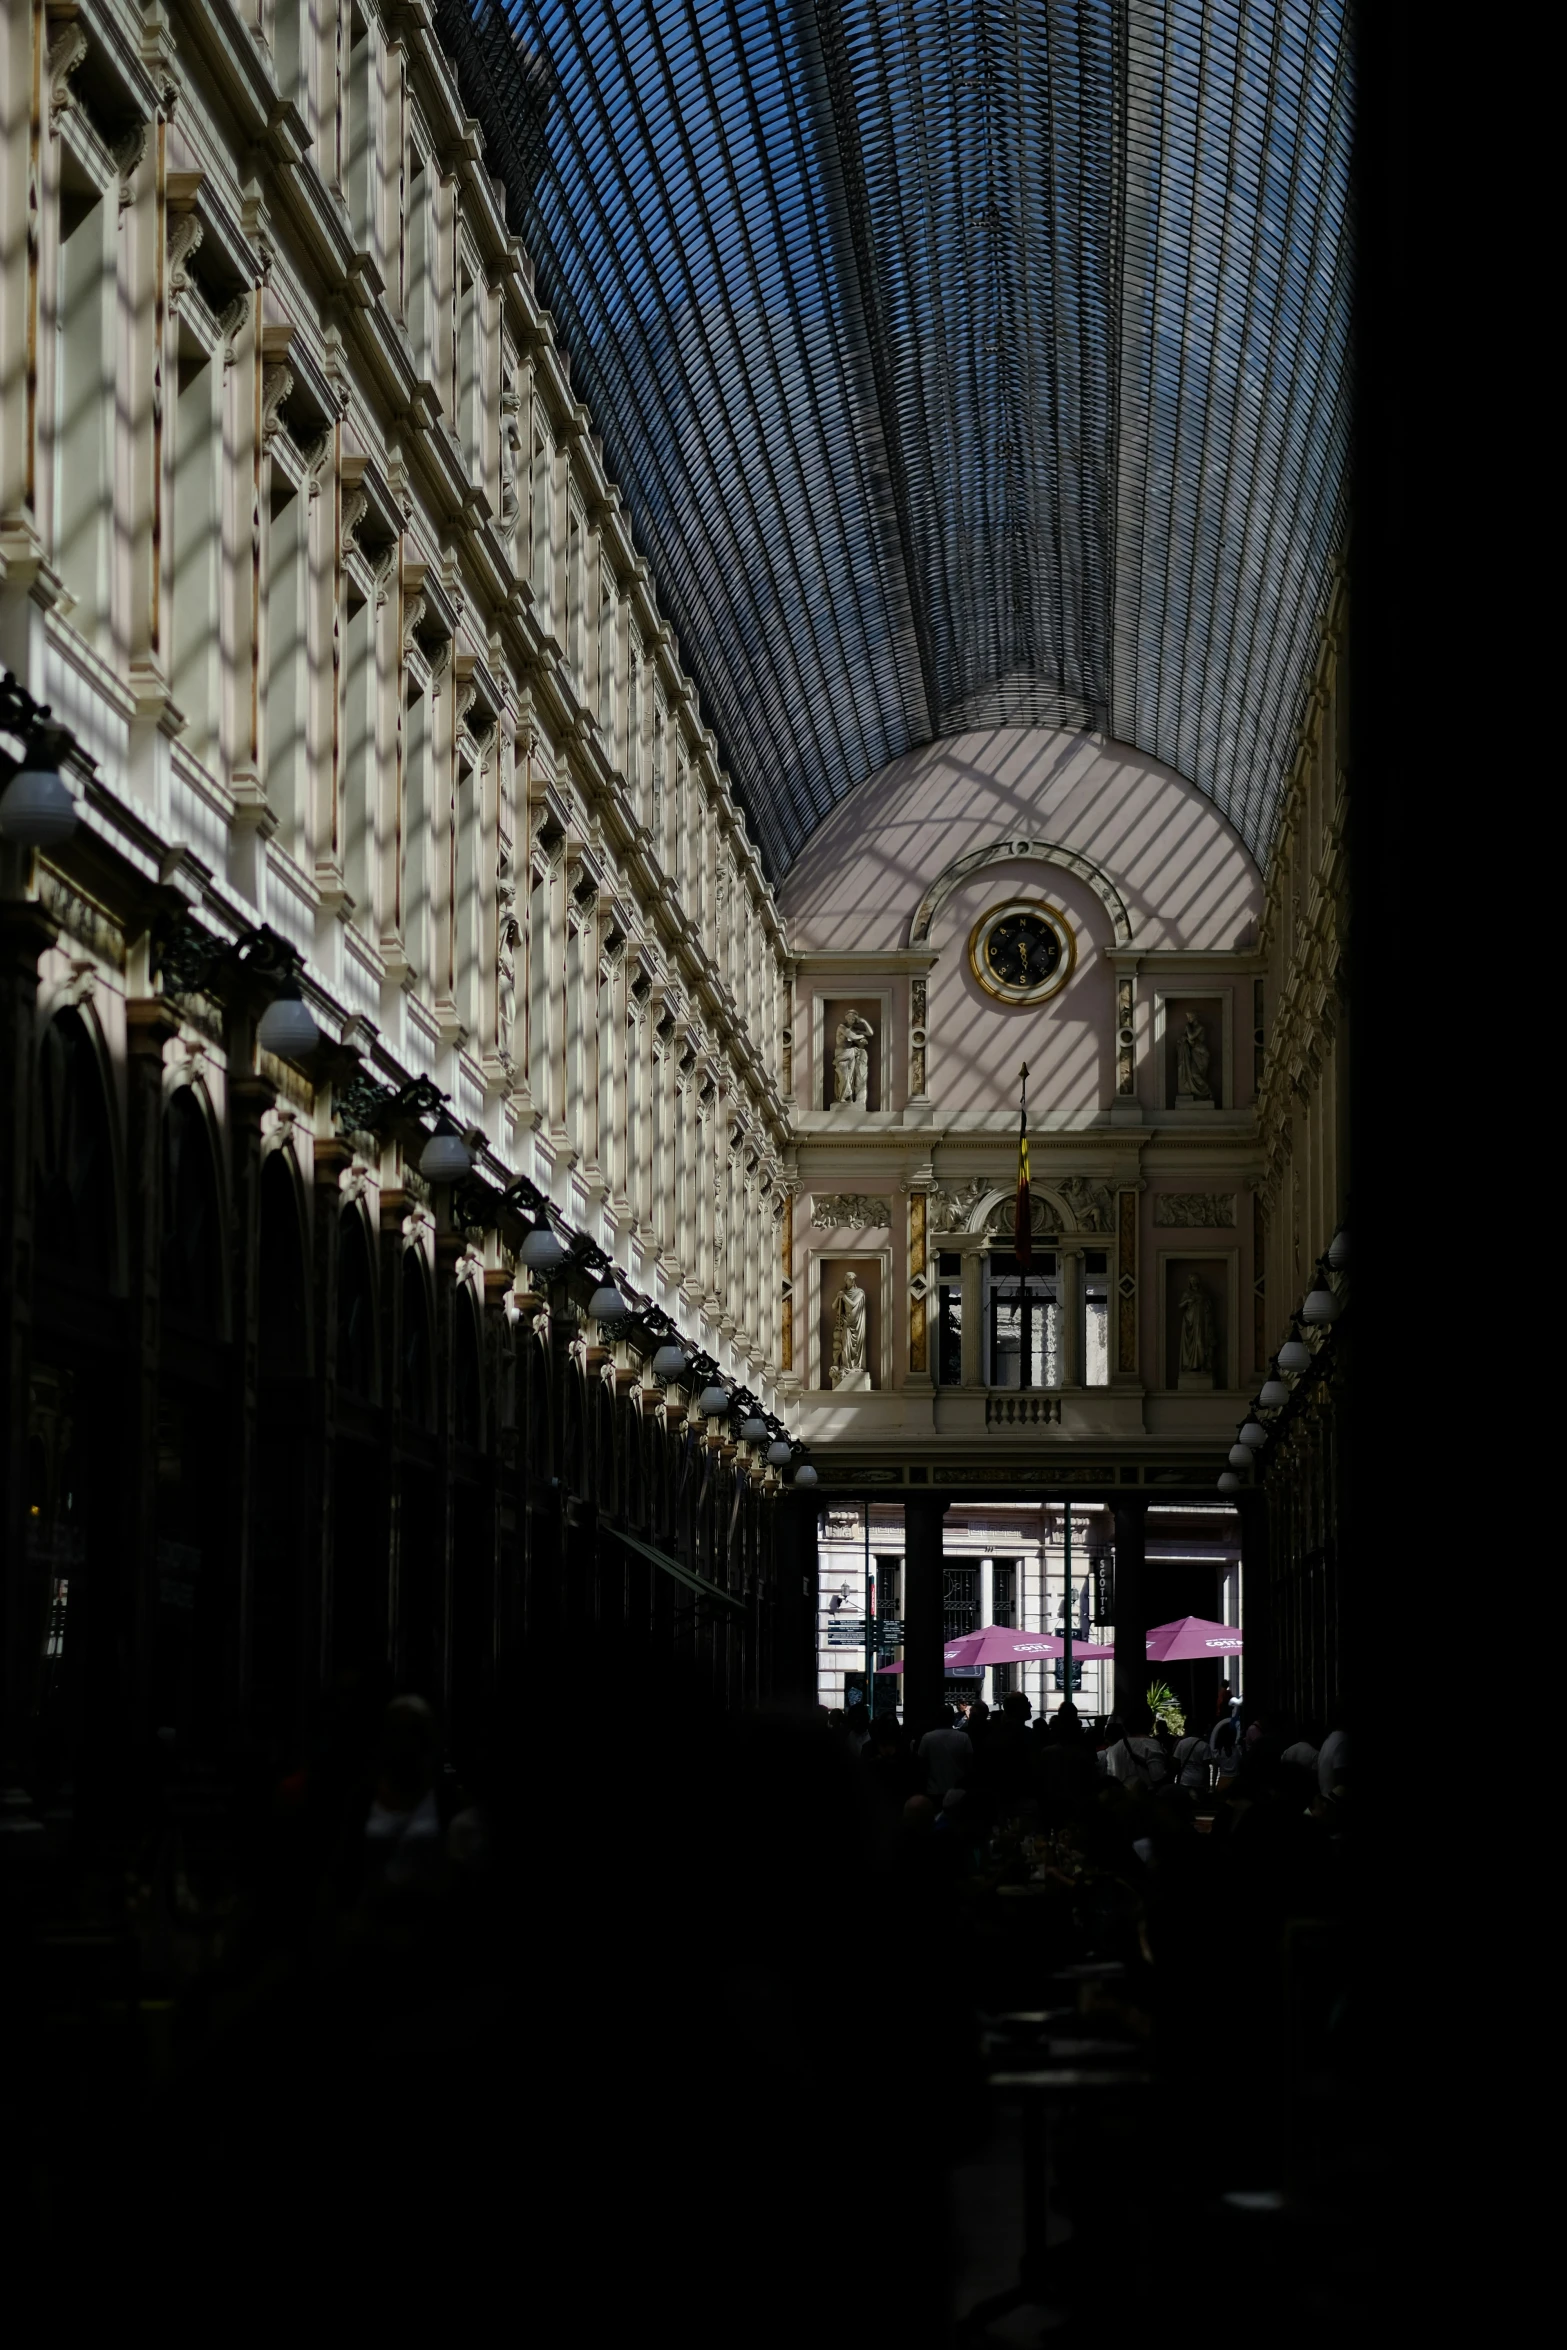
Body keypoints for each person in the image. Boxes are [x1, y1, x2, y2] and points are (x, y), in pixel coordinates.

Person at [1103, 1705, 1171, 1788]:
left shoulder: (1114, 1749)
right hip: (1144, 1798)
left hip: (1120, 1798)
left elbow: (1111, 1777)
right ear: (1150, 1722)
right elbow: (1158, 1777)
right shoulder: (1151, 1745)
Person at [915, 1706, 972, 1800]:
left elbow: (922, 1763)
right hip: (957, 1791)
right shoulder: (963, 1737)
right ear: (953, 1718)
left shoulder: (927, 1738)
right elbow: (969, 1763)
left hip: (934, 1789)